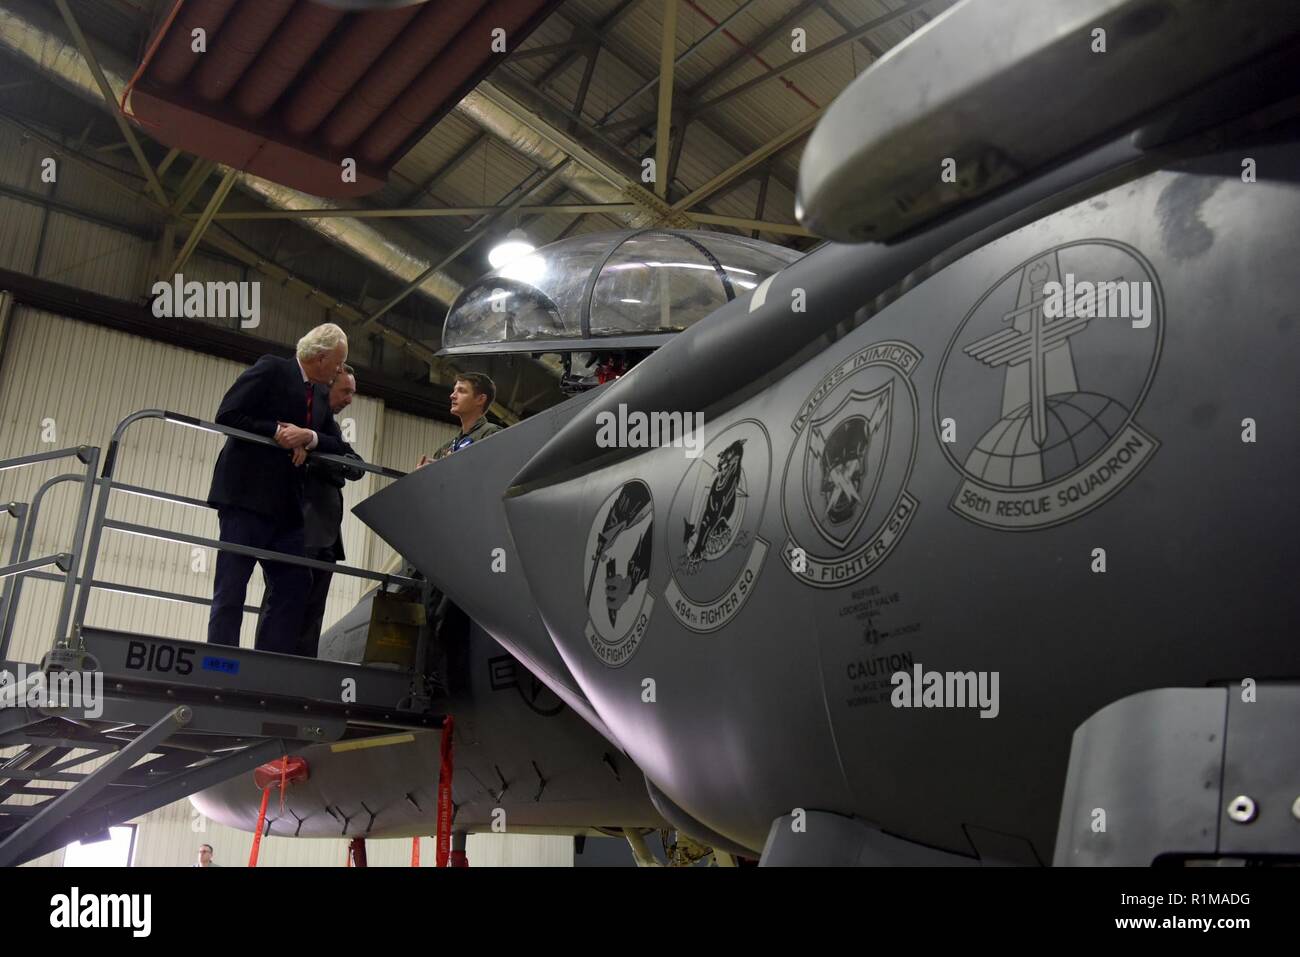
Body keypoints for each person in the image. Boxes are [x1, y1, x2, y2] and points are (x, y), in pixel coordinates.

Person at [206, 324, 349, 654]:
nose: (340, 370)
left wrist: (306, 437)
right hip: (246, 498)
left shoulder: (321, 397)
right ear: (321, 357)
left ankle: (270, 660)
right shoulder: (272, 368)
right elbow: (227, 415)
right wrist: (276, 433)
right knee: (232, 585)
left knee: (296, 582)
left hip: (287, 507)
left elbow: (338, 446)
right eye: (338, 363)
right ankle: (219, 659)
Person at [257, 365, 365, 658]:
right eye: (345, 391)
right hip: (296, 526)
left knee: (313, 609)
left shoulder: (328, 429)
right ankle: (268, 667)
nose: (349, 400)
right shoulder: (294, 418)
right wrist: (329, 461)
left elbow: (354, 467)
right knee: (283, 604)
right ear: (325, 387)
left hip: (326, 535)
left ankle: (301, 673)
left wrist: (314, 453)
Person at [416, 373, 502, 467]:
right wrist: (425, 475)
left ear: (480, 399)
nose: (452, 395)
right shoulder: (444, 450)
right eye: (454, 390)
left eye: (461, 391)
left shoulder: (492, 434)